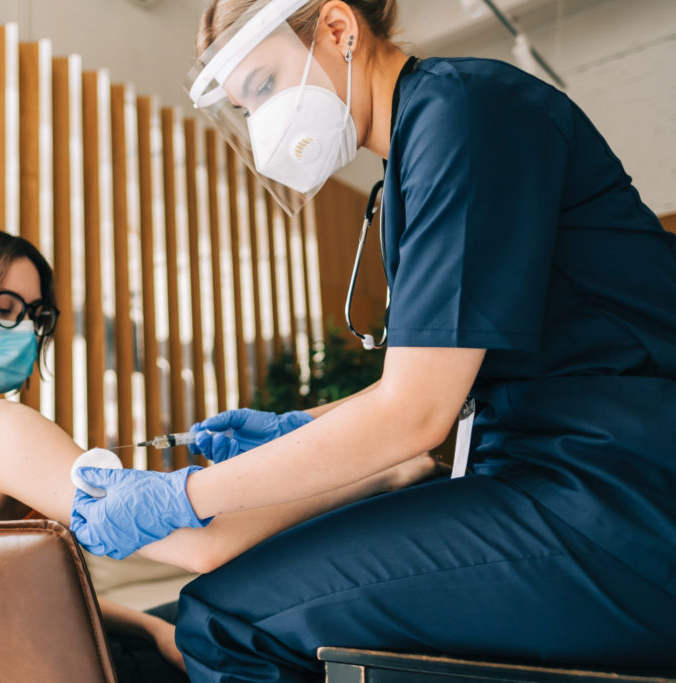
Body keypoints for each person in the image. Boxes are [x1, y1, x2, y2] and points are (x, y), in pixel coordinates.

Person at [69, 1, 676, 680]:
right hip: (548, 479)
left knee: (224, 621)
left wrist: (181, 496)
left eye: (266, 86)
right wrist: (296, 427)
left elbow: (415, 414)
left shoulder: (465, 116)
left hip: (621, 494)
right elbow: (430, 383)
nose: (264, 123)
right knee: (190, 612)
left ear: (337, 29)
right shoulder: (418, 152)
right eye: (247, 108)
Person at [0, 221, 436, 682]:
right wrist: (381, 473)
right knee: (265, 620)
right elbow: (204, 545)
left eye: (35, 315)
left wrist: (149, 629)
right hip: (47, 668)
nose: (24, 330)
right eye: (4, 309)